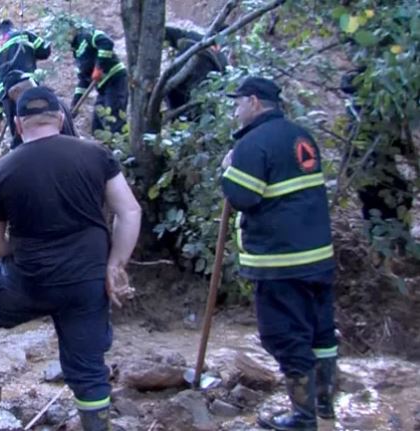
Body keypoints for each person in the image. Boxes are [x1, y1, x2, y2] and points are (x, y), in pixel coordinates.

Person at [0, 87, 142, 431]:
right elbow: (129, 211)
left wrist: (16, 254)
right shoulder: (96, 154)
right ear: (59, 118)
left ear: (18, 125)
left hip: (28, 280)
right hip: (87, 280)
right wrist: (114, 265)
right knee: (88, 370)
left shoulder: (3, 169)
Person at [221, 77, 337, 430]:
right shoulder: (301, 136)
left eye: (238, 103)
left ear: (254, 102)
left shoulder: (253, 143)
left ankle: (303, 418)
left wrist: (228, 170)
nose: (236, 110)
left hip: (280, 262)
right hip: (317, 256)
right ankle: (325, 408)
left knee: (285, 335)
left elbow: (242, 197)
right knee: (321, 332)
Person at [340, 67, 414, 243]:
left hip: (363, 169)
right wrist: (409, 154)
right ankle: (394, 244)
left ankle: (380, 245)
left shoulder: (355, 108)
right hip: (374, 168)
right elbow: (390, 139)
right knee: (396, 199)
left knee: (375, 206)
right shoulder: (370, 110)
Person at [0, 20, 51, 148]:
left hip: (6, 94)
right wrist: (30, 55)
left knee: (17, 133)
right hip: (26, 86)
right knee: (37, 125)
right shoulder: (24, 34)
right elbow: (45, 50)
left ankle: (19, 153)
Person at [69, 25, 128, 136]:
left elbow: (106, 42)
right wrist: (74, 105)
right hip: (102, 88)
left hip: (115, 79)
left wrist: (99, 67)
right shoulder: (77, 54)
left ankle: (120, 146)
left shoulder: (86, 35)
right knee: (97, 127)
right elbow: (83, 81)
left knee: (114, 119)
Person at [163, 26, 228, 116]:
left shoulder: (193, 37)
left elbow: (169, 32)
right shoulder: (223, 60)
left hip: (178, 86)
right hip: (197, 95)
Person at [1, 70, 77, 144]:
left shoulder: (31, 112)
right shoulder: (56, 102)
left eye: (11, 97)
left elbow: (20, 145)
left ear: (16, 91)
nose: (13, 102)